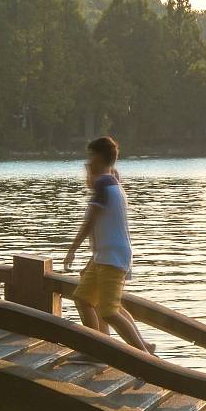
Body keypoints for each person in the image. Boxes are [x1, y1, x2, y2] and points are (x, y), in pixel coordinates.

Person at [62, 136, 149, 352]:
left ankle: (145, 357)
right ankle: (97, 349)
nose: (88, 162)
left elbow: (90, 221)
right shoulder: (111, 180)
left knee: (109, 311)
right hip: (104, 254)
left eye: (91, 157)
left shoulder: (104, 183)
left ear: (99, 158)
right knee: (84, 298)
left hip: (112, 256)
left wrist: (72, 250)